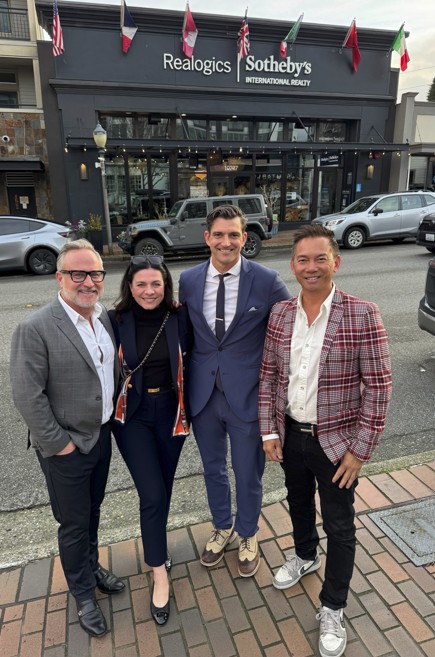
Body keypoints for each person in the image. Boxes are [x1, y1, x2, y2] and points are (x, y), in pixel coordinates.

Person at [258, 224, 392, 657]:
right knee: (297, 500)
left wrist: (360, 451)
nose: (311, 267)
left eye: (320, 258)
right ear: (292, 265)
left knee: (339, 524)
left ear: (336, 262)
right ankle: (304, 555)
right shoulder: (280, 314)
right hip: (290, 433)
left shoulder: (362, 313)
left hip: (337, 445)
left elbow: (379, 387)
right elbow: (269, 376)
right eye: (303, 259)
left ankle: (333, 605)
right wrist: (269, 429)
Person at [10, 239, 124, 638]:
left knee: (93, 511)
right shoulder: (36, 327)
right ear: (59, 277)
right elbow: (27, 395)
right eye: (78, 274)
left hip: (101, 436)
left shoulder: (103, 317)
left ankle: (91, 567)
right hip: (65, 447)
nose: (88, 282)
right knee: (73, 523)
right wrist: (60, 444)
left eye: (95, 273)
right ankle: (83, 594)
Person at [179, 205, 290, 577]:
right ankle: (222, 525)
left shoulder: (267, 280)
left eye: (233, 235)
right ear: (207, 237)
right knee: (212, 469)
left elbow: (289, 327)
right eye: (219, 234)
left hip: (248, 396)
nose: (225, 242)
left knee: (247, 472)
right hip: (203, 394)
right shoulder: (189, 280)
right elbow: (185, 336)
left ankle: (248, 532)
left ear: (244, 238)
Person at [108, 255, 189, 626]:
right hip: (133, 416)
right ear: (129, 286)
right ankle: (159, 571)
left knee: (164, 488)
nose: (149, 291)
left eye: (156, 283)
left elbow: (198, 358)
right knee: (152, 494)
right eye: (141, 284)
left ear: (165, 285)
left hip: (171, 412)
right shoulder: (114, 320)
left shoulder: (180, 317)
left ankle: (158, 546)